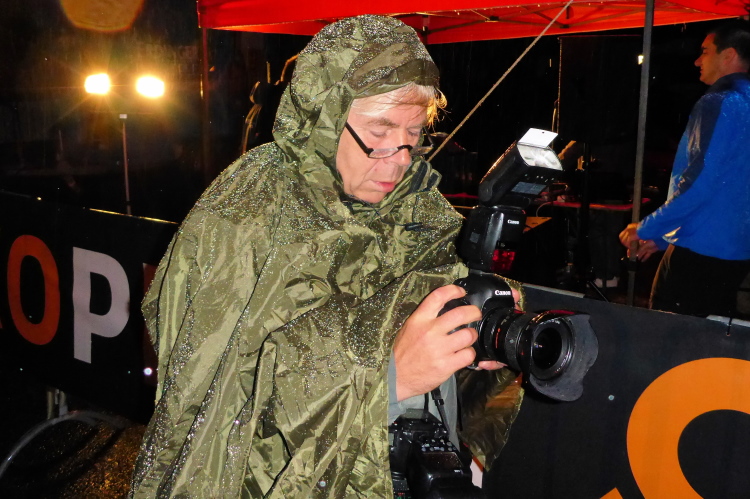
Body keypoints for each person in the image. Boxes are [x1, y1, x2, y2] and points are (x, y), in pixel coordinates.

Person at [129, 15, 522, 498]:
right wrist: (387, 377)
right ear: (324, 115)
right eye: (379, 131)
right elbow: (220, 397)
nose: (401, 157)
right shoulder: (252, 209)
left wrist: (472, 337)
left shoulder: (418, 206)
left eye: (415, 133)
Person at [619, 21, 750, 318]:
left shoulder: (719, 101)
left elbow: (700, 183)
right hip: (738, 251)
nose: (697, 61)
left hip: (699, 249)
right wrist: (663, 237)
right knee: (712, 336)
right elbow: (732, 185)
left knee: (667, 333)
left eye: (705, 51)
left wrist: (647, 228)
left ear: (728, 55)